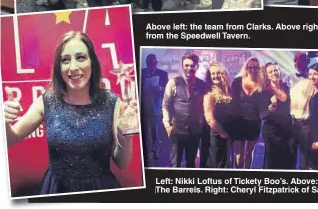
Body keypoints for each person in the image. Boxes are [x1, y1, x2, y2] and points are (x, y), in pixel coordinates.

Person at [3, 31, 133, 193]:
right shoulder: (47, 101)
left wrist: (124, 139)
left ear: (92, 62)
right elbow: (11, 138)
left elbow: (122, 162)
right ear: (59, 67)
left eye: (80, 57)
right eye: (65, 60)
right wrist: (4, 122)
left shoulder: (112, 101)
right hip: (56, 189)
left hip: (100, 188)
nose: (73, 67)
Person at [163, 53, 207, 167]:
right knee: (175, 164)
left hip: (194, 132)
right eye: (186, 65)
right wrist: (167, 125)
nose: (189, 68)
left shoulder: (202, 85)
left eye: (192, 66)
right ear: (182, 66)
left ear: (197, 66)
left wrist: (200, 123)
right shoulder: (173, 82)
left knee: (191, 164)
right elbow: (166, 105)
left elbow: (203, 106)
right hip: (177, 130)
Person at [230, 57, 265, 169]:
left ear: (259, 69)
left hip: (254, 123)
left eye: (256, 68)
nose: (253, 70)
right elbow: (232, 102)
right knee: (239, 154)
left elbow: (264, 105)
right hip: (238, 122)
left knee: (249, 152)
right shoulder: (237, 82)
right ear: (246, 68)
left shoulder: (262, 84)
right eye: (251, 67)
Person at [203, 62, 235, 169]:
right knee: (218, 164)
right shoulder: (209, 94)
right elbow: (209, 119)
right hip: (217, 134)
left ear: (224, 74)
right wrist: (223, 134)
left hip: (229, 133)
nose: (215, 76)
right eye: (212, 74)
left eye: (218, 73)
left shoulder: (228, 91)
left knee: (227, 163)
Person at [262, 62, 292, 170]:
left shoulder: (286, 87)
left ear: (279, 71)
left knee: (285, 162)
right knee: (271, 163)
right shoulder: (264, 91)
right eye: (270, 71)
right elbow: (261, 115)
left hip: (286, 131)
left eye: (275, 70)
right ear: (267, 75)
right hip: (272, 132)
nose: (274, 73)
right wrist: (270, 107)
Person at [141, 53, 168, 165]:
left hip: (156, 105)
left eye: (154, 63)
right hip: (144, 106)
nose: (152, 65)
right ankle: (146, 152)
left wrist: (160, 88)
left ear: (156, 63)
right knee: (145, 131)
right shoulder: (141, 72)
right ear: (146, 63)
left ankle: (156, 150)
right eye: (150, 63)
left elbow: (167, 88)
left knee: (155, 130)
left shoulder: (162, 74)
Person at [288, 51, 313, 170]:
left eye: (299, 61)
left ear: (306, 62)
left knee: (305, 159)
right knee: (290, 157)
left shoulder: (314, 77)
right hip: (291, 122)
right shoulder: (289, 77)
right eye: (295, 61)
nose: (296, 63)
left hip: (306, 123)